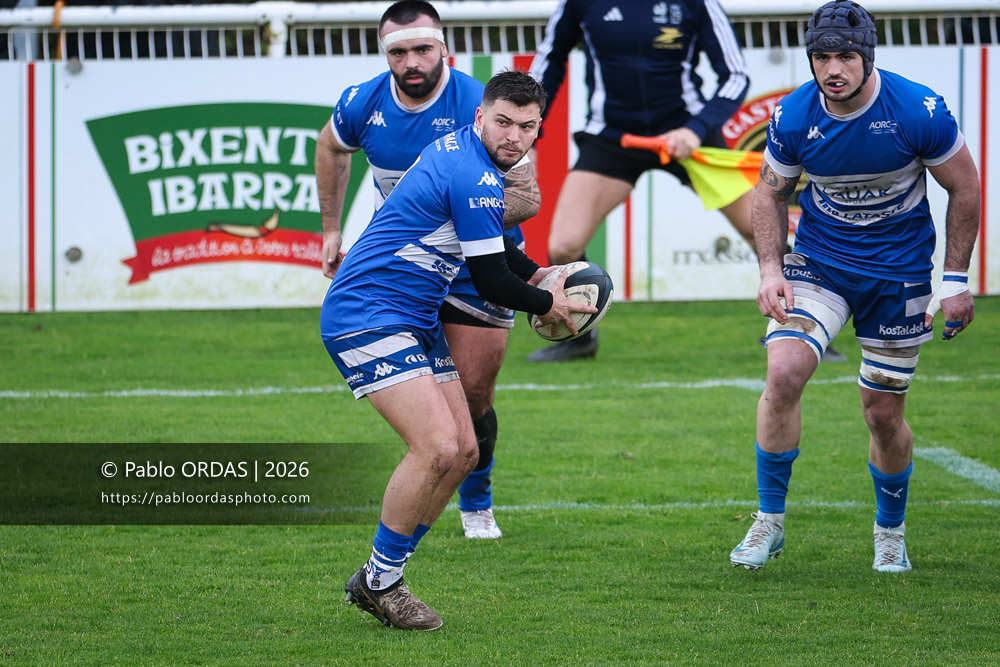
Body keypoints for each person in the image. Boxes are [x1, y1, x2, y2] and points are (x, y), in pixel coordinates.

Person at [321, 69, 595, 630]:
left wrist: (540, 273)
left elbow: (492, 247)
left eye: (526, 127)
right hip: (368, 311)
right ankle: (383, 582)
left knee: (464, 451)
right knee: (436, 447)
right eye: (503, 122)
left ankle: (380, 573)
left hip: (412, 315)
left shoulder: (468, 157)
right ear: (479, 117)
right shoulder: (474, 173)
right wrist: (549, 305)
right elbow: (492, 279)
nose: (514, 136)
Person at [729, 0, 980, 574]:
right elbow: (768, 194)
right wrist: (771, 270)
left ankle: (890, 532)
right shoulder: (794, 117)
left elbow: (964, 188)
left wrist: (957, 281)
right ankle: (769, 522)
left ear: (868, 58)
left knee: (882, 414)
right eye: (821, 57)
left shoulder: (919, 110)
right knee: (784, 371)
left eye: (845, 56)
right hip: (822, 261)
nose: (832, 68)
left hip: (900, 272)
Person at [315, 0, 542, 540]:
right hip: (402, 268)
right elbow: (330, 147)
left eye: (422, 48)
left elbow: (527, 197)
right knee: (436, 427)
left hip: (483, 260)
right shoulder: (361, 102)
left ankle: (476, 501)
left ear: (445, 48)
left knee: (475, 394)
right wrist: (331, 229)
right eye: (398, 51)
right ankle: (394, 552)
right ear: (384, 54)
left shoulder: (484, 104)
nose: (411, 61)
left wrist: (457, 217)